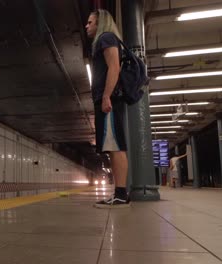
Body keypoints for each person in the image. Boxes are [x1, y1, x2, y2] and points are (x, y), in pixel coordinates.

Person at [86, 9, 130, 208]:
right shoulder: (105, 40)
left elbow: (114, 67)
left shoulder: (106, 37)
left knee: (116, 146)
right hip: (107, 99)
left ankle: (121, 194)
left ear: (100, 23)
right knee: (112, 146)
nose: (87, 25)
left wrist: (106, 96)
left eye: (90, 22)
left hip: (109, 100)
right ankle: (119, 193)